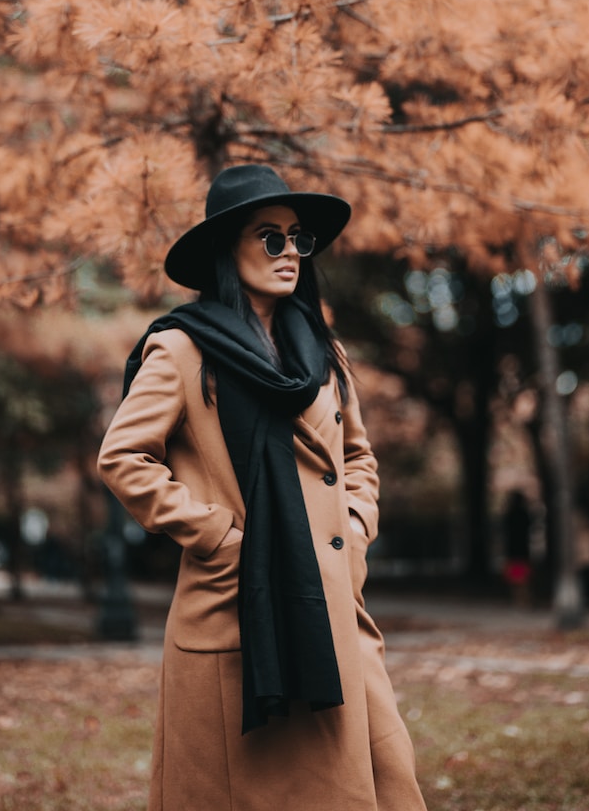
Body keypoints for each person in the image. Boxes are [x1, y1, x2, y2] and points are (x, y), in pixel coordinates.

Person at [98, 164, 428, 811]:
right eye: (269, 238)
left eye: (298, 239)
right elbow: (124, 457)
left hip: (331, 609)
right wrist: (220, 538)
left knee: (372, 786)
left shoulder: (322, 354)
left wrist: (356, 531)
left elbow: (358, 458)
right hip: (236, 612)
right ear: (229, 248)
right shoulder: (182, 350)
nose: (289, 254)